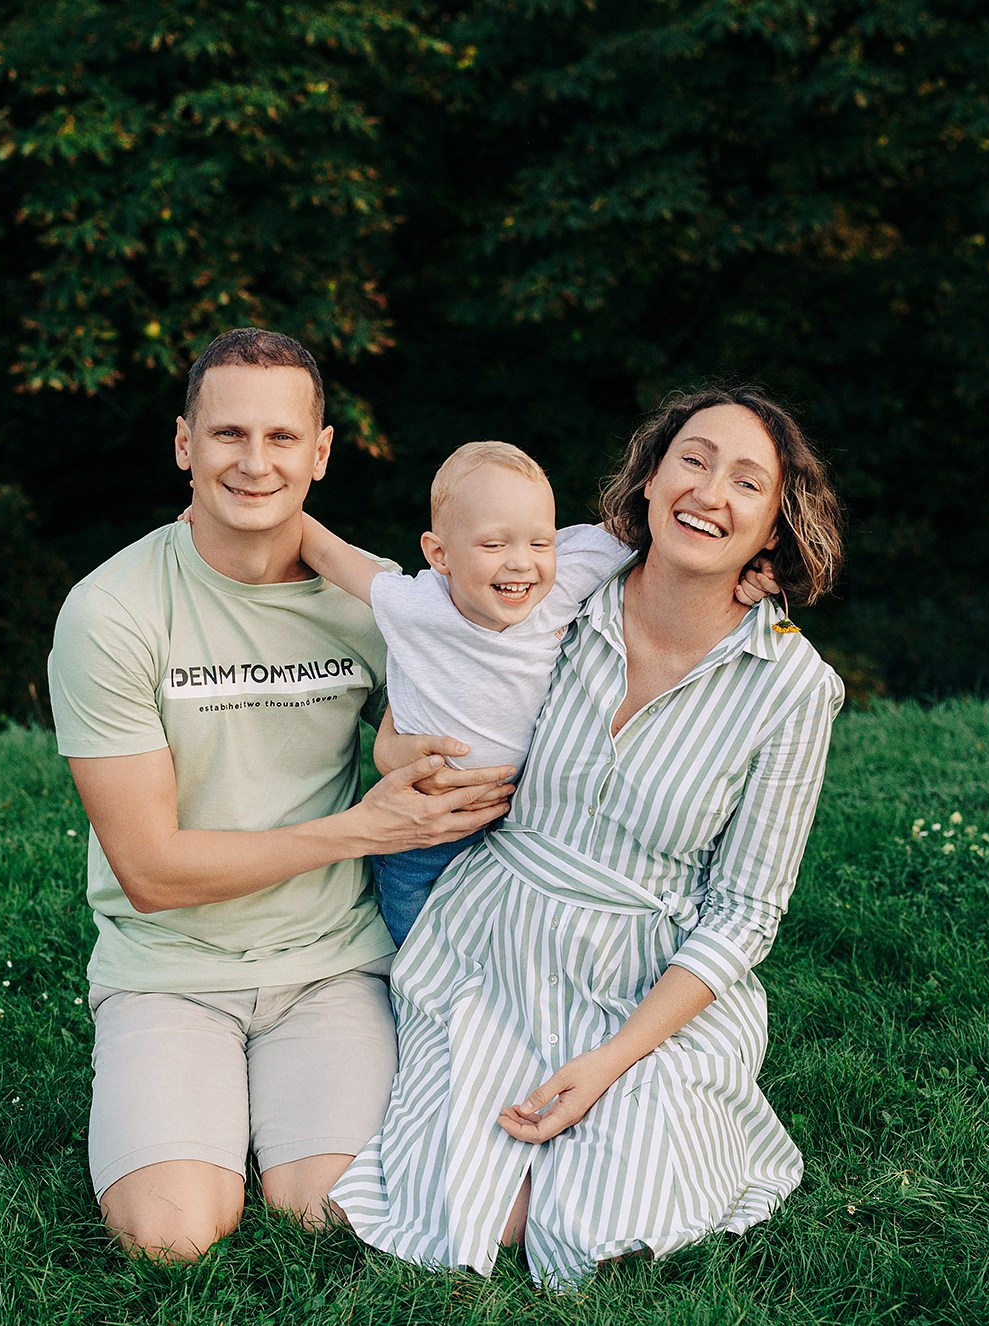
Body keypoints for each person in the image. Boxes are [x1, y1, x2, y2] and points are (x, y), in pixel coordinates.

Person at [330, 386, 847, 1286]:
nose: (709, 492)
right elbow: (436, 671)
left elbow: (746, 913)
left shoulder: (793, 686)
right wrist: (394, 748)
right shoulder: (558, 594)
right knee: (483, 1211)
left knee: (606, 1221)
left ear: (773, 526)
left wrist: (611, 1060)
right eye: (693, 461)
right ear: (650, 480)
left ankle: (651, 1107)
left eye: (745, 482)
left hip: (651, 973)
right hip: (496, 937)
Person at [46, 327, 513, 1262]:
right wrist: (361, 829)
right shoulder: (111, 610)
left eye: (282, 438)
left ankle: (282, 1131)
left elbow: (478, 691)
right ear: (185, 444)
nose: (254, 463)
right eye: (228, 434)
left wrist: (405, 750)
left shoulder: (376, 604)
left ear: (321, 452)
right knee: (172, 1234)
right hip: (168, 969)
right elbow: (150, 872)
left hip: (333, 963)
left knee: (332, 1215)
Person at [297, 441, 776, 945]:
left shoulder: (561, 585)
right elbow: (323, 549)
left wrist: (754, 565)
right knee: (415, 953)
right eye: (493, 545)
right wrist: (251, 507)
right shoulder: (413, 603)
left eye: (540, 543)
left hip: (520, 826)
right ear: (439, 554)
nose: (521, 564)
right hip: (422, 831)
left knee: (493, 945)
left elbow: (664, 529)